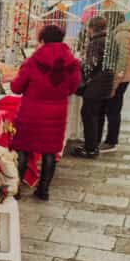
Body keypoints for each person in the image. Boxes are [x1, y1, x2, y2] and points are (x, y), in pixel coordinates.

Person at [9, 25, 80, 200]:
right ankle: (43, 190)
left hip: (30, 112)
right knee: (50, 151)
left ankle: (15, 189)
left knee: (22, 149)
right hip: (56, 113)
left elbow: (17, 87)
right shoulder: (72, 63)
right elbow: (74, 87)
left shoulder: (33, 61)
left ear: (42, 40)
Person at [73, 14, 117, 158]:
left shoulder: (96, 42)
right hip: (106, 82)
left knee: (88, 114)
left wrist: (80, 64)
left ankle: (90, 148)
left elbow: (90, 66)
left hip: (95, 85)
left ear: (92, 28)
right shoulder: (111, 41)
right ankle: (93, 144)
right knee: (98, 115)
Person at [100, 21, 130, 153]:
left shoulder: (122, 35)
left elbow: (122, 59)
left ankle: (111, 141)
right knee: (113, 109)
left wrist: (115, 81)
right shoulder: (124, 34)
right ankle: (110, 140)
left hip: (121, 78)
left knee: (113, 110)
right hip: (123, 77)